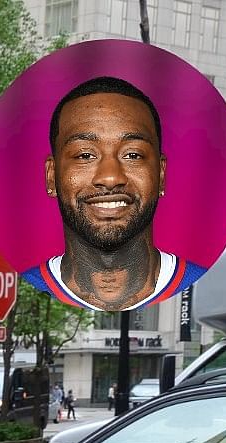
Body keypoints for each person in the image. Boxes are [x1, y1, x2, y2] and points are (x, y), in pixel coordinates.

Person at [20, 75, 202, 312]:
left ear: (161, 175)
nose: (110, 177)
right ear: (51, 176)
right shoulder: (32, 284)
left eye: (133, 155)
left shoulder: (199, 281)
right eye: (85, 155)